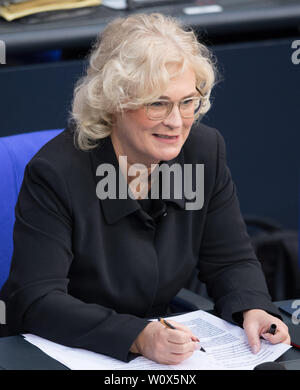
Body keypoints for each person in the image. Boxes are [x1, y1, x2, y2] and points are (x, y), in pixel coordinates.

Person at [0, 13, 290, 365]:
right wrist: (136, 336)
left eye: (187, 102)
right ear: (114, 103)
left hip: (161, 351)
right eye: (157, 103)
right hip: (60, 350)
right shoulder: (57, 172)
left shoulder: (202, 152)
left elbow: (229, 259)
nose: (176, 121)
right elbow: (37, 299)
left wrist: (254, 306)